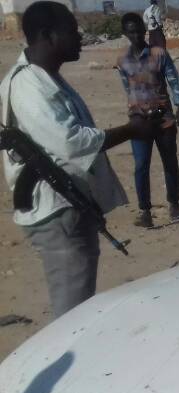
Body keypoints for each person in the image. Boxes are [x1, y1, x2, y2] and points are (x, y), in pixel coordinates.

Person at [1, 1, 158, 317]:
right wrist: (131, 130)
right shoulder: (28, 85)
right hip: (56, 213)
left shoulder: (47, 78)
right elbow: (70, 142)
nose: (80, 37)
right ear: (48, 35)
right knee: (72, 314)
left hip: (69, 205)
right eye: (72, 31)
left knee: (80, 303)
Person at [116, 12, 179, 228]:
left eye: (139, 30)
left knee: (170, 162)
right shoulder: (122, 60)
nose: (136, 35)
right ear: (125, 33)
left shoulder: (159, 54)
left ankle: (174, 205)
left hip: (163, 118)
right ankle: (145, 212)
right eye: (131, 32)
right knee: (141, 166)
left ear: (144, 29)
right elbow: (127, 88)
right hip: (138, 122)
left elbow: (174, 79)